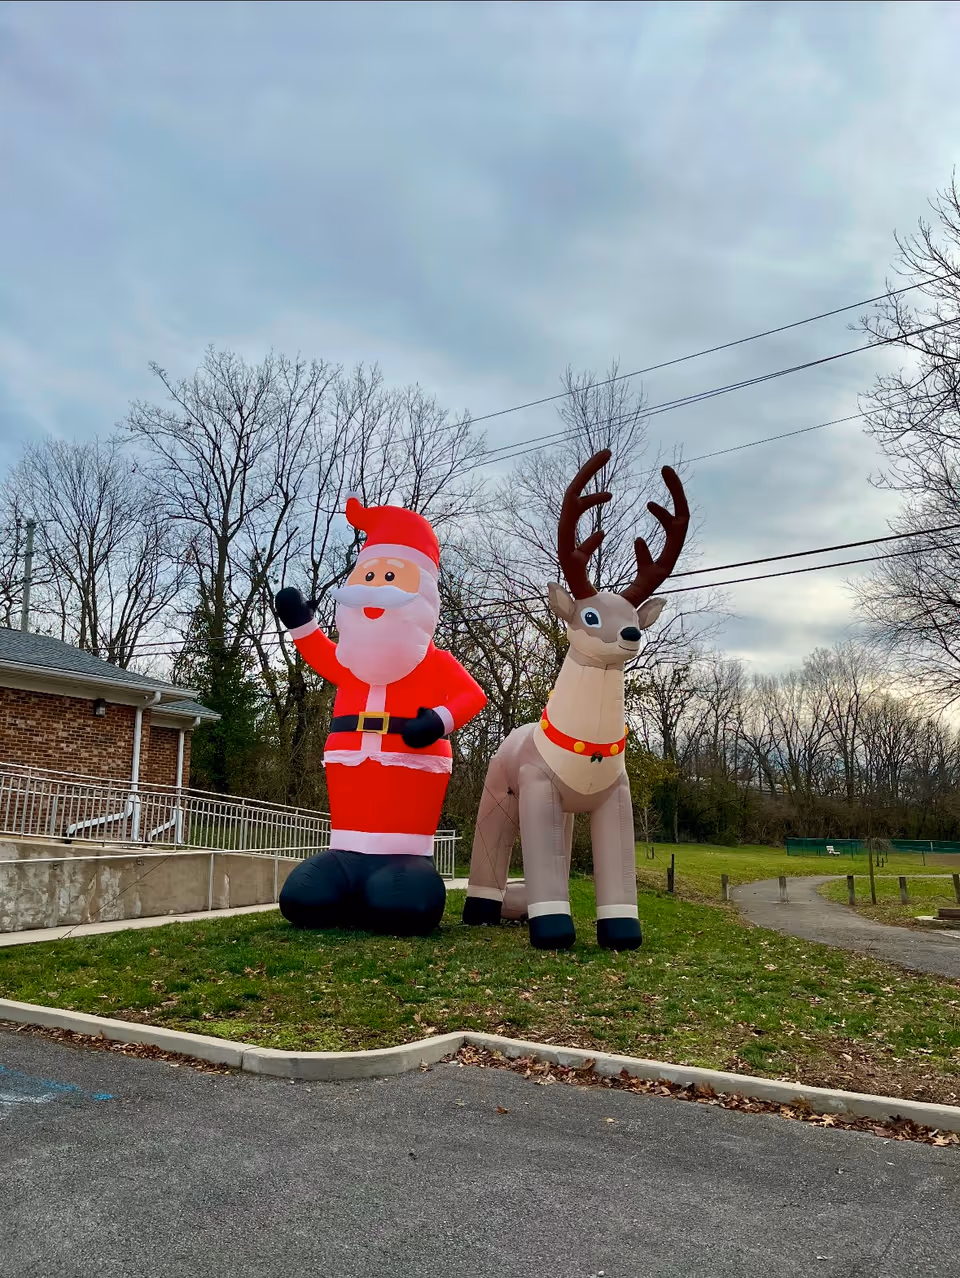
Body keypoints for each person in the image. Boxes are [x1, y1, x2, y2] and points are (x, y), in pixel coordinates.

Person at [273, 495, 486, 936]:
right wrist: (300, 624)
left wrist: (438, 721)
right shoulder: (348, 663)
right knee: (303, 899)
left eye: (389, 577)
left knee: (400, 906)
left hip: (413, 775)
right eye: (369, 576)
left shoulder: (434, 662)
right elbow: (319, 652)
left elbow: (472, 696)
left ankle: (403, 867)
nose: (374, 587)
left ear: (422, 596)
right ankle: (345, 864)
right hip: (348, 771)